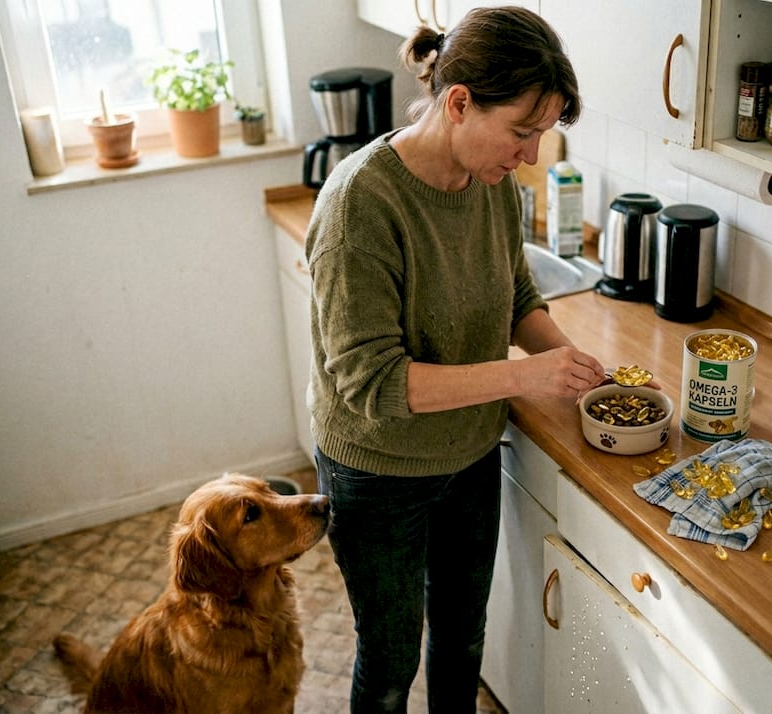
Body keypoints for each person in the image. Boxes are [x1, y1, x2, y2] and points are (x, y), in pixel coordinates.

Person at [304, 6, 605, 713]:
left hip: (469, 455)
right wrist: (524, 375)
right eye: (522, 131)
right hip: (377, 472)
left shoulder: (492, 183)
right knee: (390, 661)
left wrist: (575, 365)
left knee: (463, 639)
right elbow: (374, 383)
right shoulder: (359, 206)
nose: (531, 155)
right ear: (461, 103)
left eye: (541, 134)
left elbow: (515, 294)